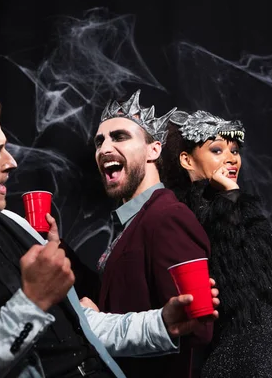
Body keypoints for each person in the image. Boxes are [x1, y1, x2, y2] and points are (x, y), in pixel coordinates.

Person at [0, 82, 219, 378]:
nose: (11, 162)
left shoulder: (15, 225)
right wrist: (30, 303)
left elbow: (83, 325)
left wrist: (162, 323)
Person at [160, 109, 272, 377]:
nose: (231, 159)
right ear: (187, 160)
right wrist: (232, 196)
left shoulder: (230, 206)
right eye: (217, 150)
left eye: (234, 150)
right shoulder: (193, 214)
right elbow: (237, 271)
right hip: (232, 361)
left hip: (263, 359)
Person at [93, 91, 213, 378]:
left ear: (154, 150)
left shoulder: (167, 217)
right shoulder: (136, 220)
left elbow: (198, 328)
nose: (104, 148)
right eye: (99, 141)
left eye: (119, 136)